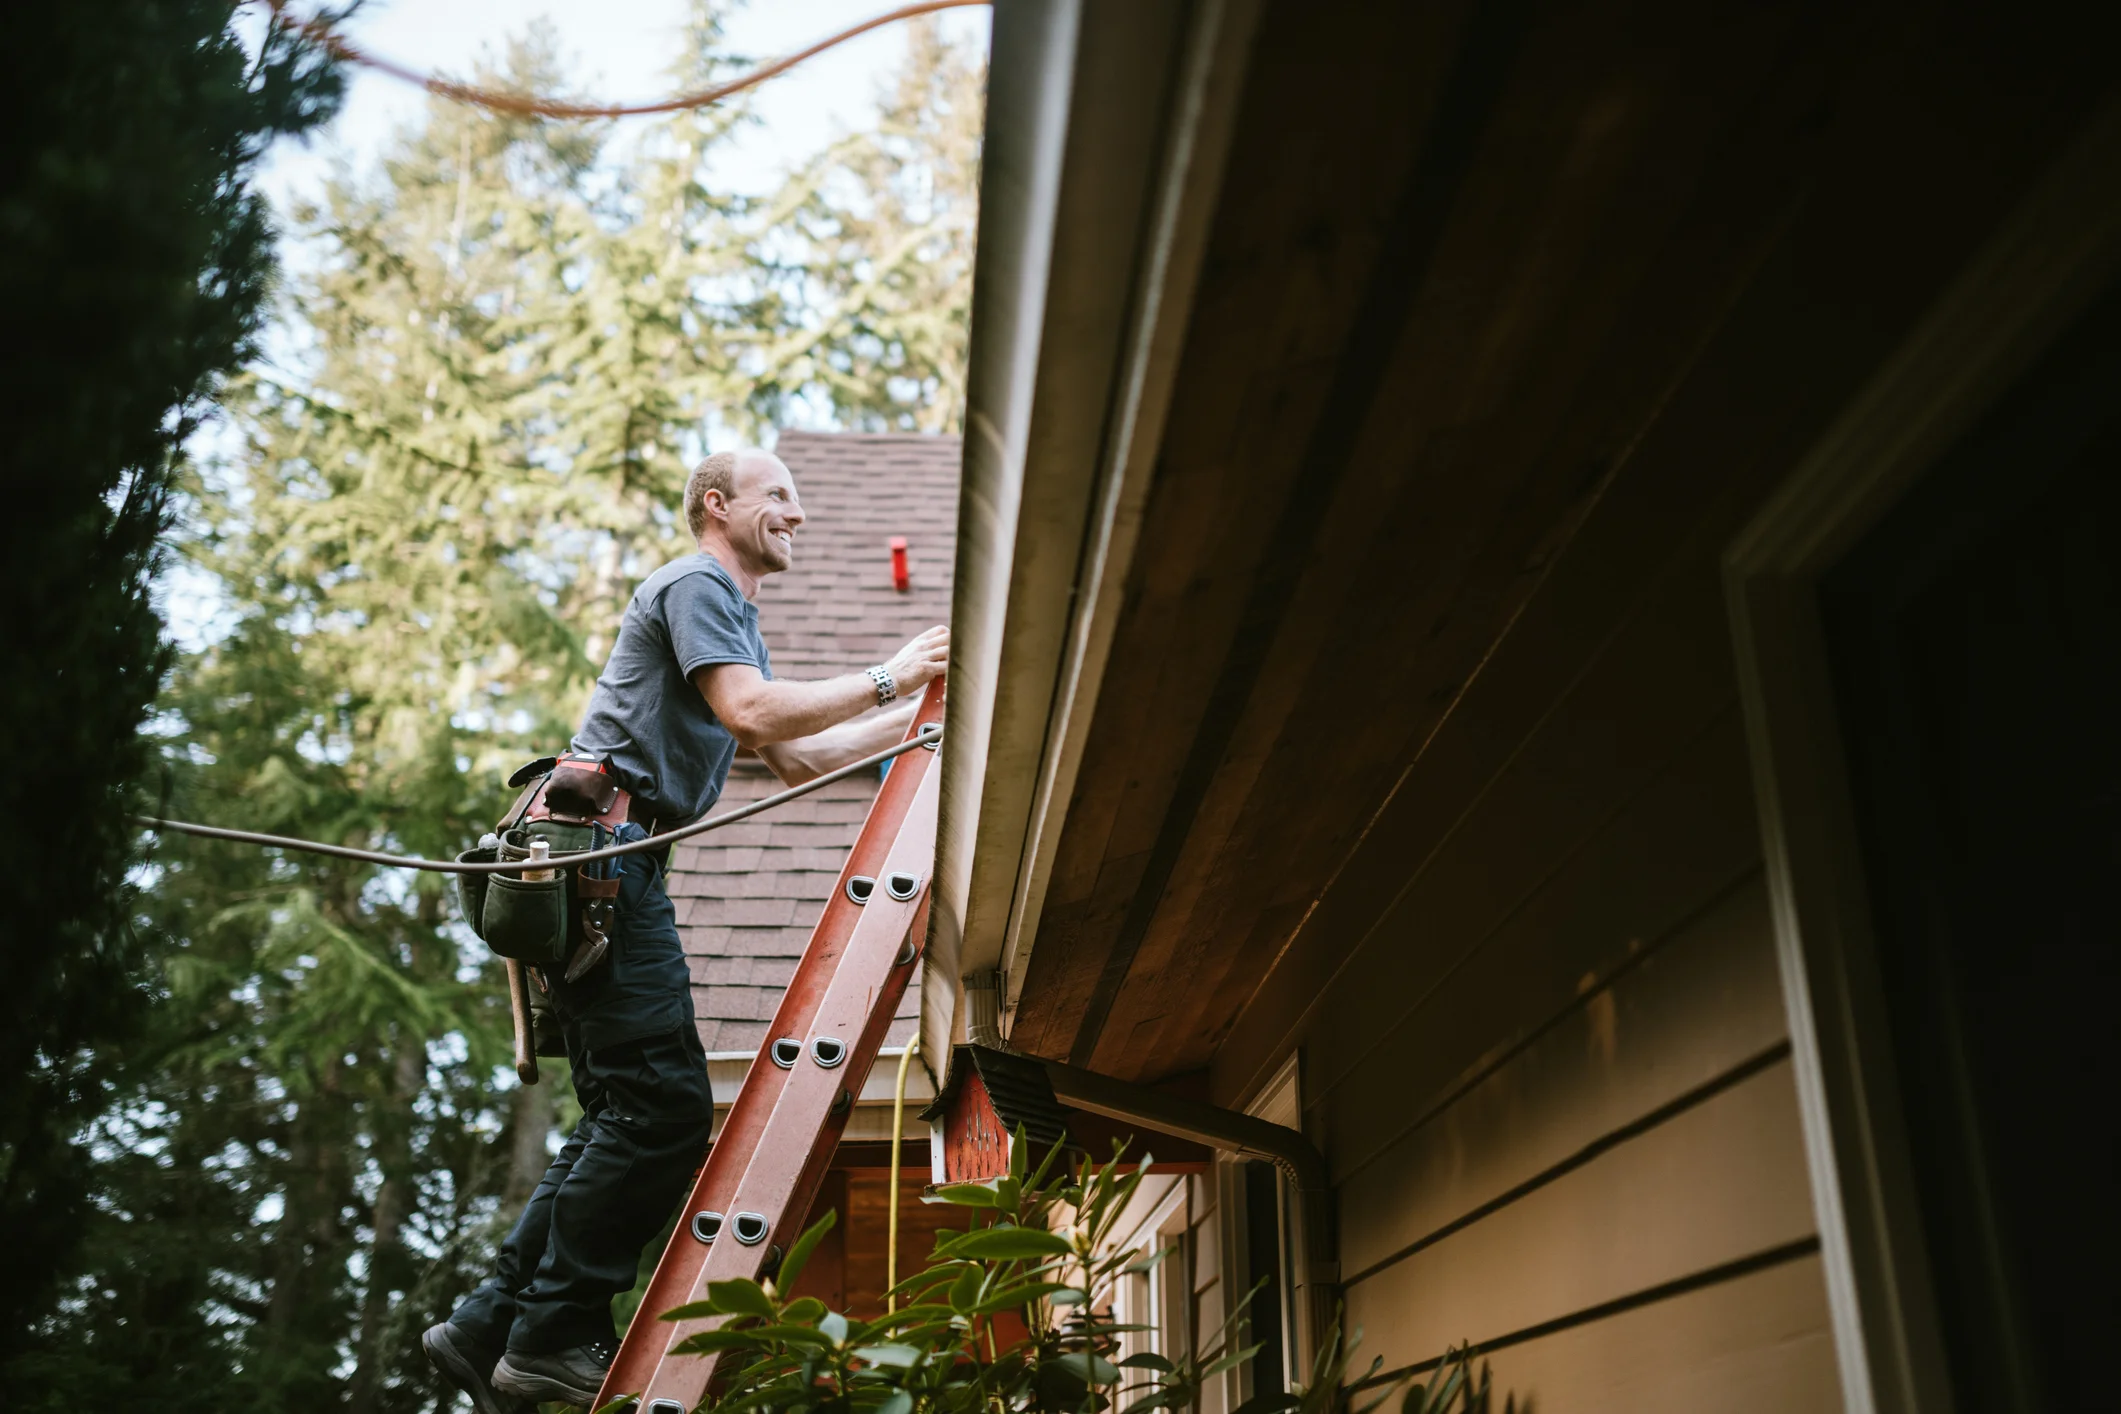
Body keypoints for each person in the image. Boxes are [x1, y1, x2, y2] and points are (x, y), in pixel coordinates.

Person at [422, 448, 949, 1412]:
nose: (799, 512)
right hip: (601, 867)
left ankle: (489, 1323)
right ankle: (549, 1334)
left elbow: (799, 756)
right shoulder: (698, 581)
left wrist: (923, 710)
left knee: (623, 1117)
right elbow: (750, 715)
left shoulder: (726, 612)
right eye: (778, 496)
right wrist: (890, 672)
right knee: (662, 1116)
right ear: (717, 506)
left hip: (600, 867)